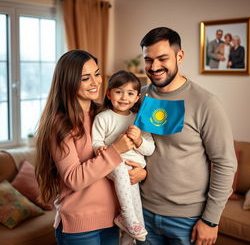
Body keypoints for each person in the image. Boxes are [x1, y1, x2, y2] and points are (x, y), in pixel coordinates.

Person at [134, 27, 237, 245]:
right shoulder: (138, 96)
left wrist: (210, 220)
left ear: (179, 56)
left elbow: (225, 163)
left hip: (188, 219)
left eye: (162, 58)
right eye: (148, 60)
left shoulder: (206, 103)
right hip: (142, 211)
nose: (154, 67)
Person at [35, 50, 136, 245]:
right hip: (79, 227)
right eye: (85, 78)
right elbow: (73, 179)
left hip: (113, 219)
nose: (96, 82)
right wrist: (115, 150)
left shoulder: (106, 114)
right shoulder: (60, 124)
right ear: (69, 82)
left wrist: (140, 173)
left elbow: (127, 158)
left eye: (97, 74)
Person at [92, 70, 155, 244]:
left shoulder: (140, 121)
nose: (124, 97)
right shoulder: (103, 118)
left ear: (137, 97)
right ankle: (125, 216)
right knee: (131, 215)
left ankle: (128, 226)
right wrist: (100, 148)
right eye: (119, 92)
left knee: (137, 226)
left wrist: (139, 140)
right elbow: (95, 141)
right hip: (112, 165)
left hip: (133, 173)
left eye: (130, 93)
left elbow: (150, 149)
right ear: (109, 94)